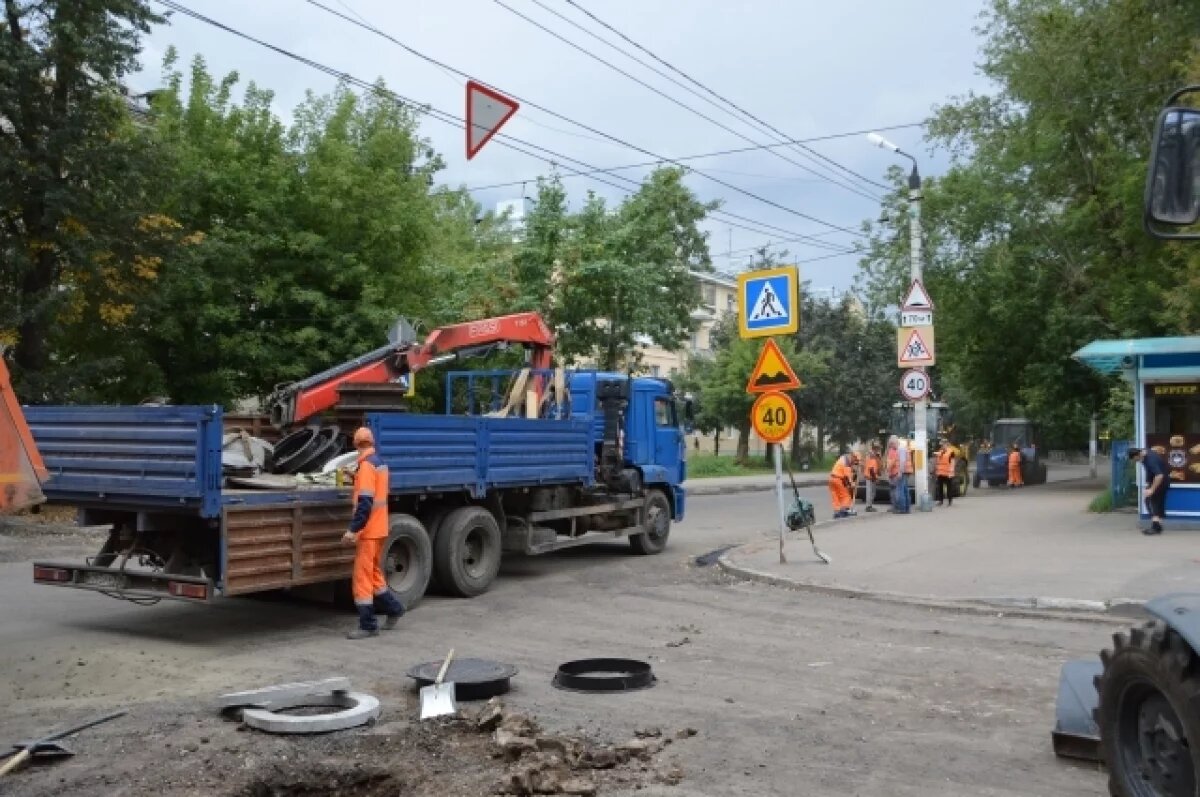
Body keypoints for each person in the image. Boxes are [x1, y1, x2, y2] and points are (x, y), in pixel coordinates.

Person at [341, 427, 405, 639]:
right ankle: (394, 609)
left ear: (355, 444)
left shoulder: (366, 466)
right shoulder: (378, 463)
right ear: (372, 442)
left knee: (362, 578)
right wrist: (356, 476)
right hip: (379, 528)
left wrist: (353, 530)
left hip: (368, 531)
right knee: (374, 573)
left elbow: (365, 502)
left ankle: (368, 625)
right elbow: (377, 491)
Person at [1128, 447, 1170, 535]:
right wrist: (1149, 484)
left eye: (1135, 460)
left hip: (1159, 483)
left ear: (1137, 455)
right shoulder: (1145, 453)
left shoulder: (1151, 460)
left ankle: (1156, 527)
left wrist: (1152, 489)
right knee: (1155, 503)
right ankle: (1157, 526)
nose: (1136, 461)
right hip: (1159, 482)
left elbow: (1159, 476)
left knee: (1151, 502)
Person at [828, 451, 859, 519]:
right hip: (838, 479)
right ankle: (844, 511)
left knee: (835, 496)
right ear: (852, 456)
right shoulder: (847, 462)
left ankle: (837, 512)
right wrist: (852, 485)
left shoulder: (843, 459)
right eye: (855, 460)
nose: (855, 462)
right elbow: (848, 477)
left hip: (831, 479)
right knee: (846, 496)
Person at [935, 438, 956, 507]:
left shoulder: (951, 452)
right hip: (940, 473)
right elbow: (938, 462)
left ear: (946, 444)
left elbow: (952, 463)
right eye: (941, 445)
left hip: (948, 473)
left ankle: (950, 501)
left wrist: (951, 472)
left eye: (942, 444)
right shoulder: (940, 451)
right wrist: (937, 471)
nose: (941, 446)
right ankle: (940, 501)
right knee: (940, 487)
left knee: (949, 487)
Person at [863, 444, 882, 512]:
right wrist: (875, 479)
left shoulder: (875, 456)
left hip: (871, 476)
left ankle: (870, 505)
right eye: (878, 449)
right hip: (870, 476)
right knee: (870, 492)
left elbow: (876, 467)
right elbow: (871, 469)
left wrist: (878, 473)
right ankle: (868, 506)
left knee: (872, 492)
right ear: (875, 449)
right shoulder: (871, 456)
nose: (879, 450)